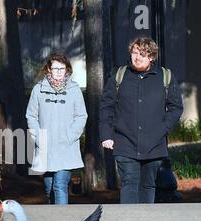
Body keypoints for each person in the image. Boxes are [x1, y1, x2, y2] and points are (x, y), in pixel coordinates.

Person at [99, 37, 183, 204]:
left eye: (142, 54)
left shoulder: (165, 76)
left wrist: (163, 128)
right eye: (134, 53)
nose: (136, 57)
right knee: (129, 183)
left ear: (151, 57)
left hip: (154, 143)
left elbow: (176, 107)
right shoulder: (119, 75)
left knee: (148, 186)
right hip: (124, 141)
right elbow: (106, 106)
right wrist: (106, 135)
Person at [26, 53, 88, 205]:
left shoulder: (74, 89)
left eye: (62, 68)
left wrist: (71, 135)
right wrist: (38, 137)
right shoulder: (38, 90)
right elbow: (31, 116)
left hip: (66, 146)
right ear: (48, 69)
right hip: (45, 147)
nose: (59, 71)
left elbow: (81, 116)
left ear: (67, 70)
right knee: (49, 189)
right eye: (55, 68)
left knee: (59, 186)